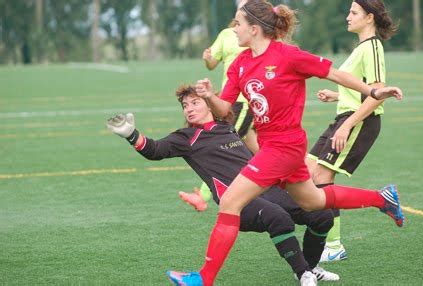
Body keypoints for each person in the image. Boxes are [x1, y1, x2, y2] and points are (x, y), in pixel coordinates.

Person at [166, 1, 404, 285]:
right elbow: (225, 110)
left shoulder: (288, 56)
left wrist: (373, 89)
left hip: (286, 146)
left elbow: (335, 74)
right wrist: (208, 96)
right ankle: (382, 199)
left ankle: (203, 279)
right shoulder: (240, 64)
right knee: (313, 200)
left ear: (254, 29)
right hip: (270, 146)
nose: (234, 29)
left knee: (230, 201)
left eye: (238, 23)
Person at [106, 85, 339, 285]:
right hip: (236, 202)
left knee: (322, 215)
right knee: (278, 218)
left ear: (209, 104)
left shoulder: (229, 126)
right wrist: (131, 134)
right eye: (185, 105)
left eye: (194, 102)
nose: (189, 108)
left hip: (264, 189)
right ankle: (303, 274)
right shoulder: (186, 137)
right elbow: (154, 150)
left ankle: (312, 267)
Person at [305, 0, 399, 262]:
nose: (348, 17)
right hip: (343, 117)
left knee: (322, 177)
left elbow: (378, 92)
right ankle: (380, 201)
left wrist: (347, 125)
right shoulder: (361, 47)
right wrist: (337, 95)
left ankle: (333, 247)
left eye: (353, 12)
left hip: (358, 122)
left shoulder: (372, 47)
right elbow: (361, 88)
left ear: (369, 18)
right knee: (307, 171)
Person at [179, 0, 258, 213]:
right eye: (240, 4)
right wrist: (208, 58)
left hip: (246, 100)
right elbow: (213, 63)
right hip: (227, 99)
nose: (242, 7)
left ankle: (202, 196)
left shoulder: (256, 34)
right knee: (258, 150)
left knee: (225, 141)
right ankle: (284, 180)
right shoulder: (226, 34)